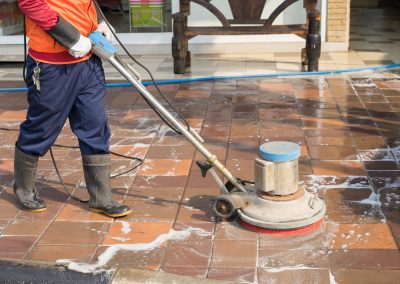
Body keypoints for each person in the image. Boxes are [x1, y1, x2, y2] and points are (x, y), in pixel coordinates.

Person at [14, 0, 131, 218]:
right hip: (51, 67)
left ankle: (101, 198)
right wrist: (72, 37)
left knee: (95, 124)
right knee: (42, 127)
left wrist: (100, 22)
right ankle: (24, 189)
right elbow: (30, 3)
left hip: (88, 62)